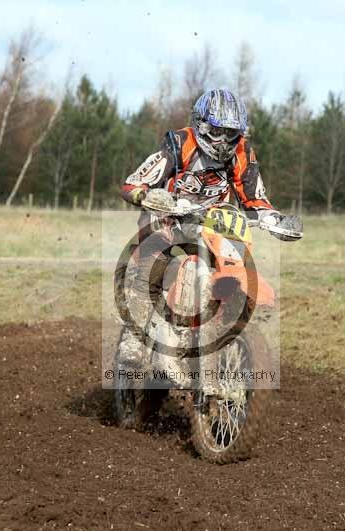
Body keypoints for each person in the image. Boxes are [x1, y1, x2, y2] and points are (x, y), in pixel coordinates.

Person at [120, 88, 301, 364]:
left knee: (234, 264)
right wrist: (148, 196)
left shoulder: (241, 153)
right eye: (217, 131)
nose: (224, 141)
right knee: (154, 256)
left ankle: (225, 324)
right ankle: (134, 340)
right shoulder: (179, 143)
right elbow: (134, 183)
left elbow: (254, 198)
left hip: (212, 223)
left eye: (231, 133)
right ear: (201, 125)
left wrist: (273, 219)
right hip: (169, 216)